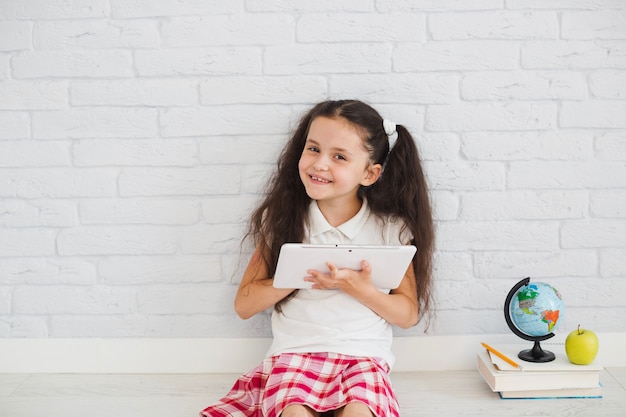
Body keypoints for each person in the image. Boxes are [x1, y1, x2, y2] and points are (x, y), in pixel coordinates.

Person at [200, 99, 434, 417]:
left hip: (361, 357)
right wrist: (299, 272)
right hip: (295, 355)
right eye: (313, 149)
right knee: (293, 411)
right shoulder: (283, 221)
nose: (319, 164)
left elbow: (407, 314)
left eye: (339, 156)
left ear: (369, 173)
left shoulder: (389, 230)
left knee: (359, 412)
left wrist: (358, 287)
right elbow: (245, 304)